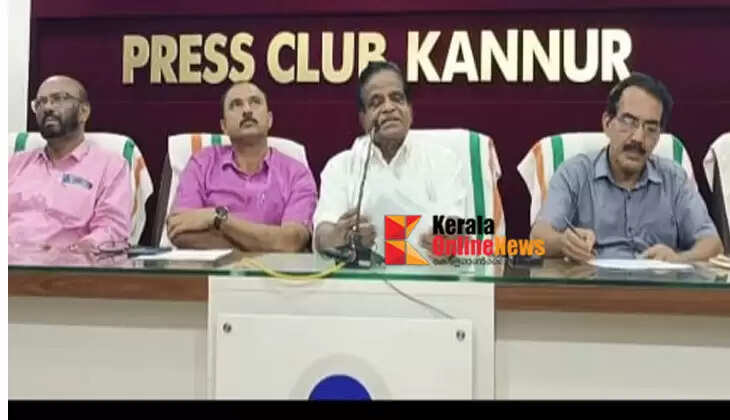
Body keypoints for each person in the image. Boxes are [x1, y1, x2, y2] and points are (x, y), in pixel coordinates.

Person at [530, 72, 723, 262]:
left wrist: (678, 259)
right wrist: (563, 243)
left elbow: (713, 245)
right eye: (629, 122)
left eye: (651, 128)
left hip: (657, 281)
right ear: (607, 123)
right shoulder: (574, 173)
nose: (638, 138)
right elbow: (537, 239)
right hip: (590, 280)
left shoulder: (674, 179)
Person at [313, 61, 467, 255]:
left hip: (429, 271)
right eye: (376, 102)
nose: (388, 108)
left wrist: (448, 240)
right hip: (364, 275)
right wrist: (339, 236)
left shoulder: (443, 160)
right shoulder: (340, 167)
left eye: (397, 98)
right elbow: (322, 234)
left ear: (410, 110)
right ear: (363, 118)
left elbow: (456, 225)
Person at [167, 81, 317, 252]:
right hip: (213, 269)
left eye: (255, 102)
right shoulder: (202, 163)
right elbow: (179, 231)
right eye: (236, 105)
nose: (247, 110)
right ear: (224, 126)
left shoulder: (297, 174)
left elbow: (291, 242)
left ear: (269, 120)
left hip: (273, 269)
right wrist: (265, 242)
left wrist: (219, 218)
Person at [8, 75, 132, 250]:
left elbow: (112, 230)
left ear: (83, 112)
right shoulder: (15, 164)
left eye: (58, 99)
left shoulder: (111, 167)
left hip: (68, 263)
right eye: (40, 102)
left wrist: (71, 255)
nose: (47, 107)